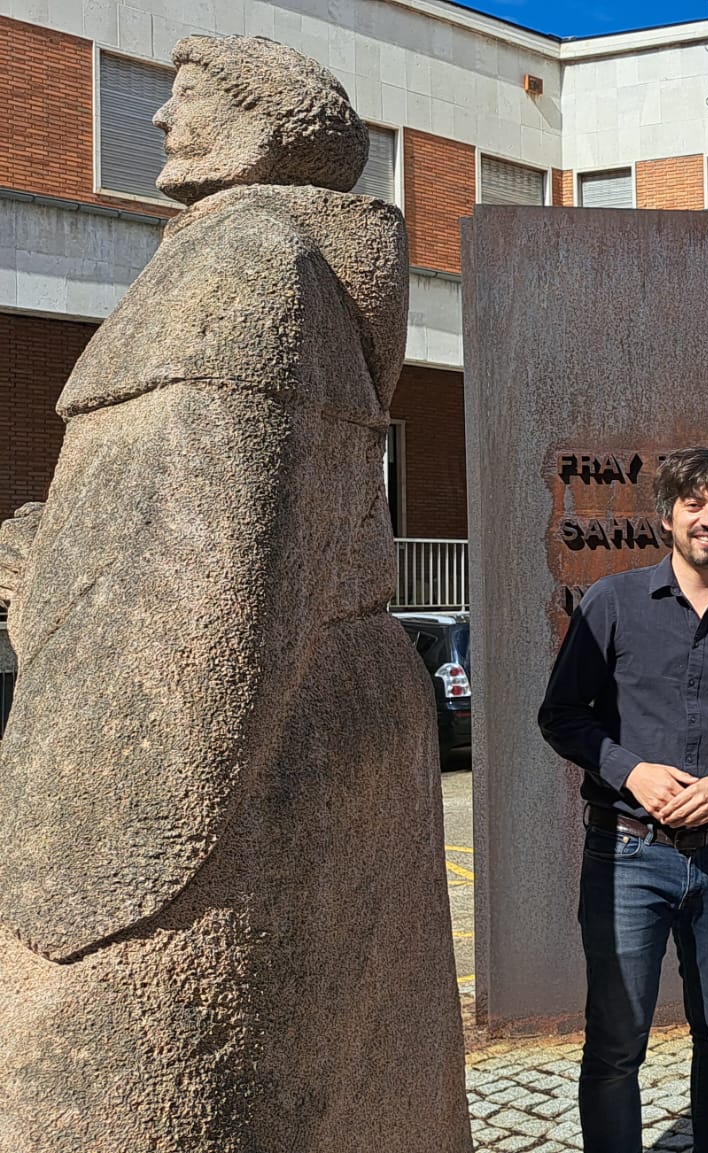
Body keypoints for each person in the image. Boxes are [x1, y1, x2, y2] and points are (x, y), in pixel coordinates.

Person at [0, 36, 471, 1151]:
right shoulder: (274, 262)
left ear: (267, 127)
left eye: (188, 96)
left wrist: (74, 848)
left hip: (196, 776)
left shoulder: (244, 265)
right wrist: (56, 550)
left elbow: (199, 585)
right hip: (304, 727)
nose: (160, 120)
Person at [538, 447, 708, 1153]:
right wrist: (632, 771)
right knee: (618, 1037)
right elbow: (561, 715)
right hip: (628, 854)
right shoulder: (612, 603)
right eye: (694, 503)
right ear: (667, 517)